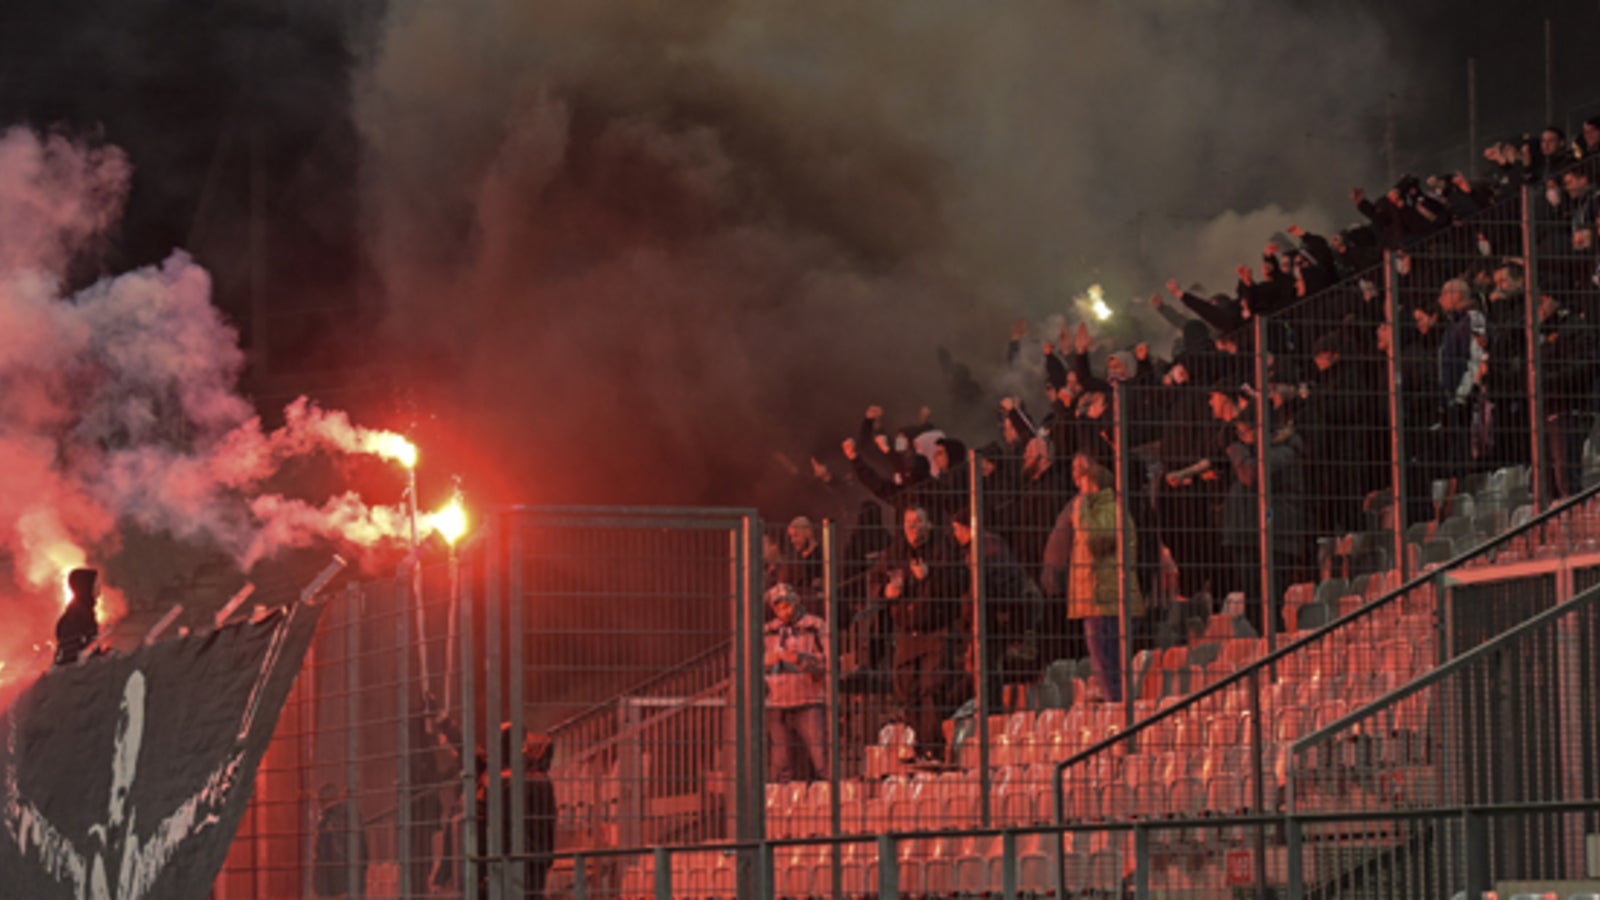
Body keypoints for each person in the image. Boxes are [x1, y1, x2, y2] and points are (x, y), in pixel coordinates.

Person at [1045, 455, 1144, 703]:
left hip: (1107, 600)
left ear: (1096, 485)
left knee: (1107, 666)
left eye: (1085, 484)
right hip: (1096, 599)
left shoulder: (1109, 509)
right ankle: (1118, 709)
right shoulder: (1098, 509)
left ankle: (1120, 712)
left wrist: (1079, 513)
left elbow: (1096, 542)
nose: (1080, 490)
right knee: (1102, 665)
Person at [874, 506, 969, 763]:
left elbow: (960, 582)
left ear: (929, 524)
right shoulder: (894, 553)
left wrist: (930, 577)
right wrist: (886, 592)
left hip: (936, 630)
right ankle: (917, 741)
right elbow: (873, 583)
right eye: (909, 524)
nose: (913, 529)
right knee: (907, 688)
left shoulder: (944, 550)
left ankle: (932, 748)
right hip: (906, 632)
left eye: (918, 522)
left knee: (932, 688)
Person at [762, 583, 830, 782]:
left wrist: (800, 659)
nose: (784, 611)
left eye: (787, 605)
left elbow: (827, 664)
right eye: (779, 608)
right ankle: (781, 808)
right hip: (778, 702)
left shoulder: (815, 625)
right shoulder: (768, 631)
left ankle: (833, 802)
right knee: (780, 765)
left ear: (796, 601)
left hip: (808, 700)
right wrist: (767, 660)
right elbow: (753, 662)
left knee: (822, 761)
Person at [314, 784, 369, 898]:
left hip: (336, 887)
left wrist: (321, 889)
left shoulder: (326, 823)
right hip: (356, 882)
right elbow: (364, 852)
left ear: (321, 802)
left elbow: (324, 858)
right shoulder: (355, 817)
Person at [55, 567, 99, 666]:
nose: (99, 586)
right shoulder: (78, 614)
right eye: (95, 583)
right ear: (86, 587)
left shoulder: (82, 611)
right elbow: (72, 653)